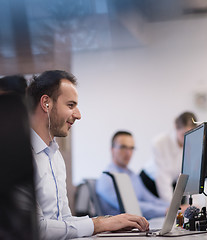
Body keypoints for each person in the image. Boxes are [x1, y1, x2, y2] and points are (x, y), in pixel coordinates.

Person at [26, 70, 149, 239]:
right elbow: (36, 229)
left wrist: (108, 222)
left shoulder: (55, 156)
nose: (78, 115)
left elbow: (64, 220)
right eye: (70, 105)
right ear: (46, 103)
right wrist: (99, 225)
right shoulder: (20, 157)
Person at [96, 131, 170, 220]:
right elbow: (131, 207)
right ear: (112, 149)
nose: (128, 153)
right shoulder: (107, 178)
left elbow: (151, 200)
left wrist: (176, 207)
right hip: (121, 231)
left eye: (131, 148)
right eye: (123, 147)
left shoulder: (132, 175)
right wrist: (165, 211)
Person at [140, 112, 197, 202]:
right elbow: (163, 177)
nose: (187, 138)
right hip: (151, 183)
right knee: (166, 210)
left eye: (190, 134)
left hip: (174, 183)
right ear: (176, 128)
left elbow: (190, 177)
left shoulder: (193, 145)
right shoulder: (160, 142)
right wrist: (172, 207)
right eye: (183, 134)